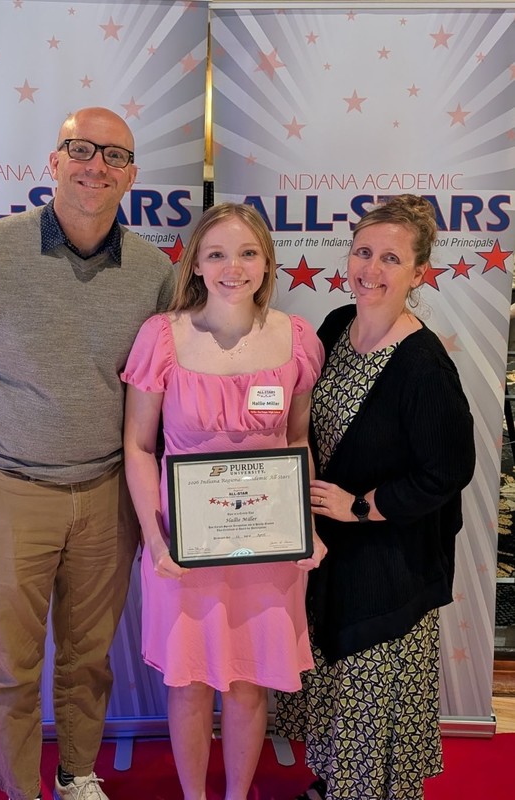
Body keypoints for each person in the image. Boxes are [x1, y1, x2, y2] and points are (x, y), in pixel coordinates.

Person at [0, 107, 175, 800]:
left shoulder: (155, 271)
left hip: (107, 495)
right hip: (9, 490)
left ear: (132, 175)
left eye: (113, 155)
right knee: (11, 664)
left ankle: (76, 774)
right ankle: (20, 788)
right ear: (55, 160)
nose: (96, 164)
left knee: (89, 659)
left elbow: (166, 392)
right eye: (80, 148)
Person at [122, 202, 327, 800]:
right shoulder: (162, 338)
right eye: (216, 253)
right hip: (182, 547)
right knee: (187, 684)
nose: (231, 267)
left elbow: (295, 440)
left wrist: (304, 527)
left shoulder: (297, 340)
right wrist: (154, 539)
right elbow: (138, 447)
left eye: (246, 253)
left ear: (266, 262)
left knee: (247, 684)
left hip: (267, 548)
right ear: (196, 265)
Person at [274, 194, 476, 800]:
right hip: (332, 556)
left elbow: (449, 471)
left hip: (390, 562)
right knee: (334, 684)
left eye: (391, 258)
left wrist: (361, 506)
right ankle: (336, 784)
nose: (372, 268)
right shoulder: (336, 326)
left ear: (418, 274)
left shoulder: (423, 366)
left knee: (368, 689)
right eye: (364, 252)